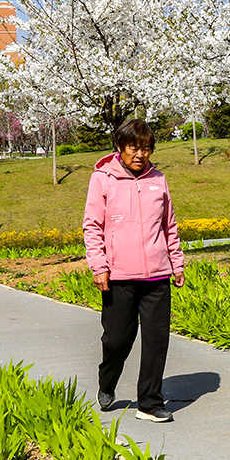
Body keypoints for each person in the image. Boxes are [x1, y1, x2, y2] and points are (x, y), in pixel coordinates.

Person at [83, 119, 185, 423]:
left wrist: (176, 263)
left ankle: (149, 403)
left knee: (156, 340)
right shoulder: (102, 179)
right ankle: (107, 380)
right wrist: (98, 266)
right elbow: (92, 226)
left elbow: (169, 226)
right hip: (119, 276)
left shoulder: (158, 180)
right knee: (117, 341)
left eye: (146, 148)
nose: (140, 154)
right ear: (120, 147)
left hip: (156, 275)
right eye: (134, 147)